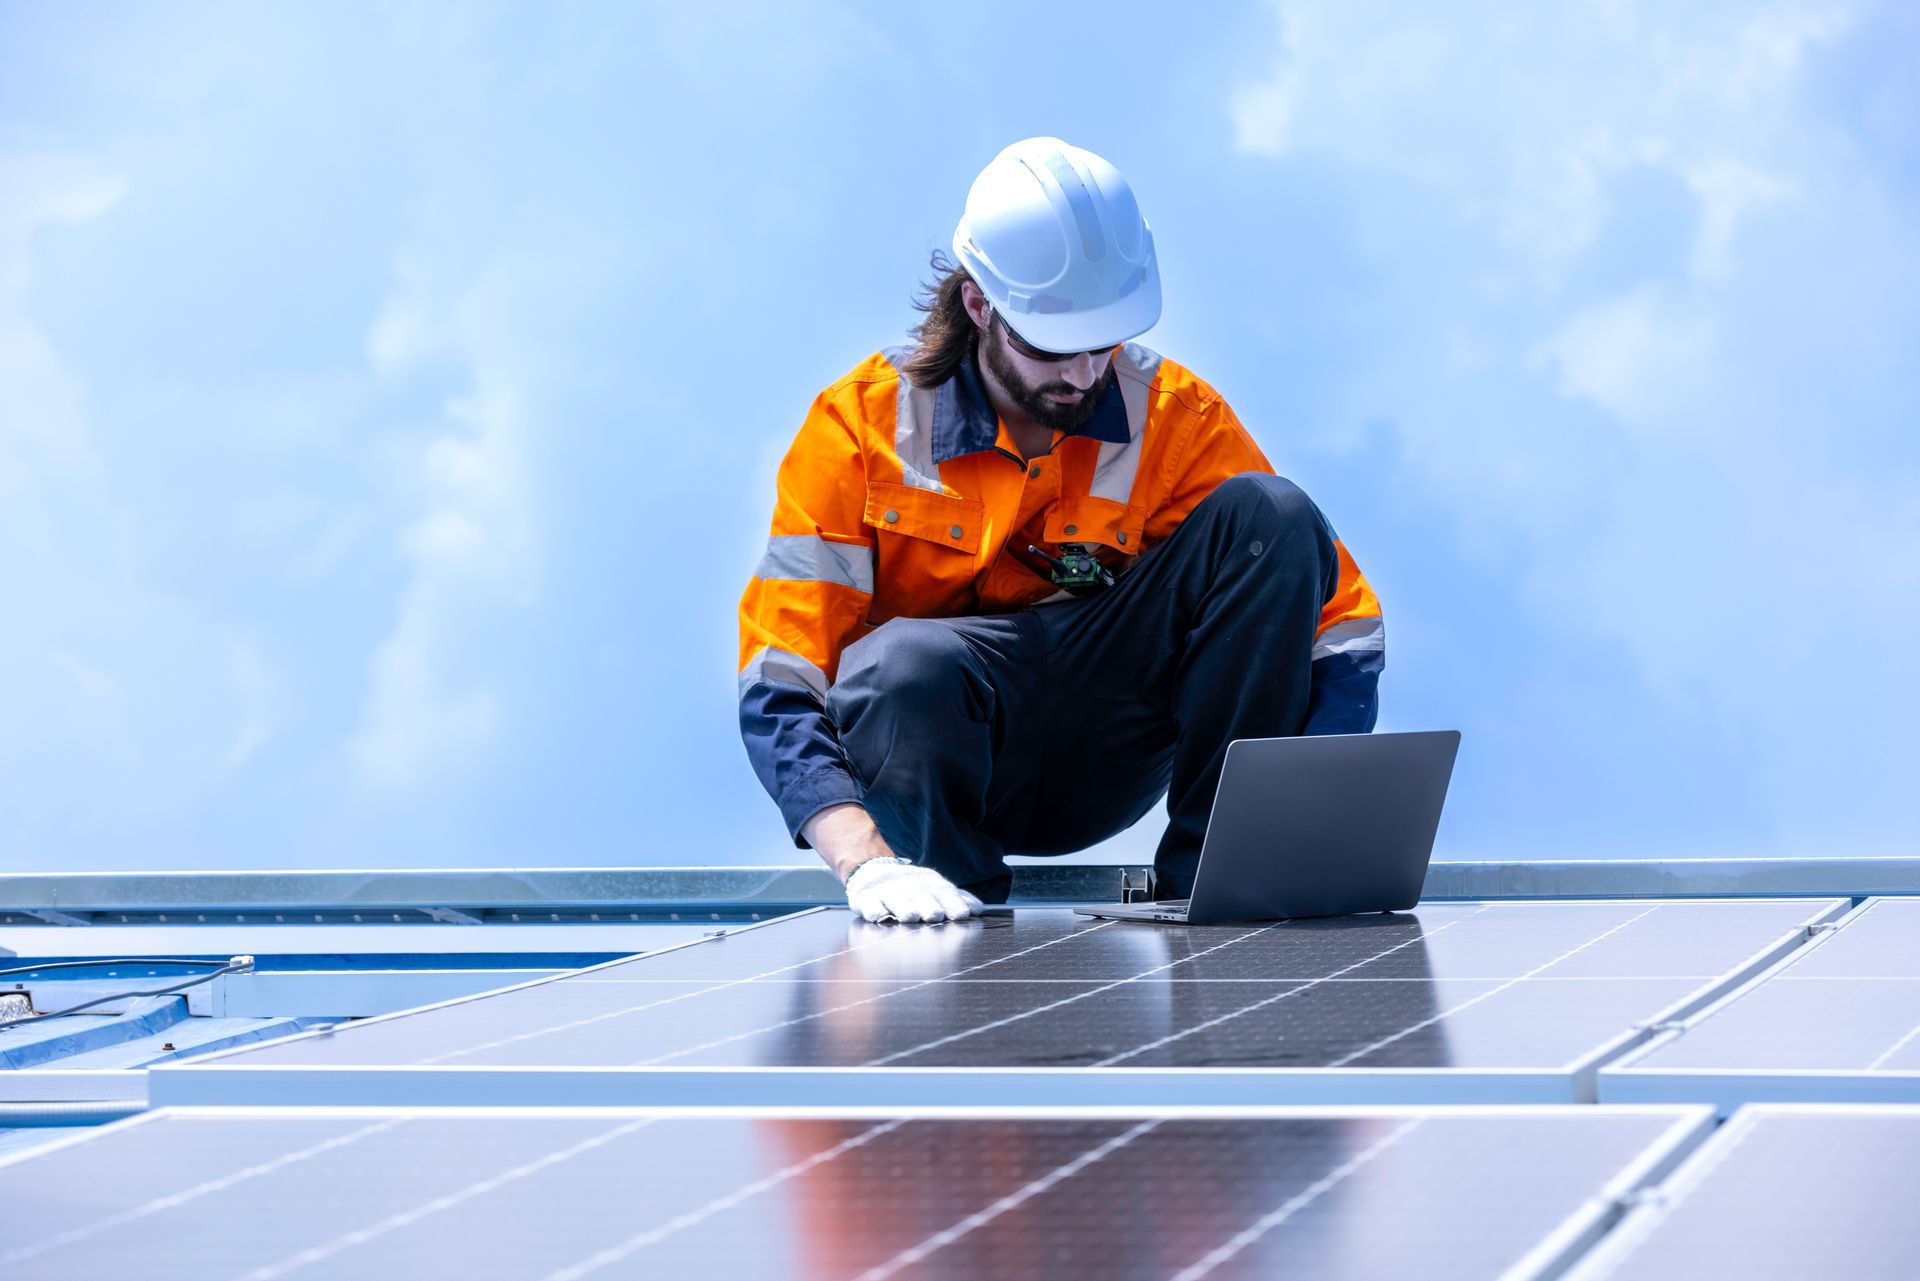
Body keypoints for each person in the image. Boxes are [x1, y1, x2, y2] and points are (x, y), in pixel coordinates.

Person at [737, 138, 1384, 925]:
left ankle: (1226, 874)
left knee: (1271, 516)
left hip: (1113, 737)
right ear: (978, 306)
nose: (1081, 375)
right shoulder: (859, 429)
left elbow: (1341, 627)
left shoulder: (1175, 417)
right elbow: (781, 681)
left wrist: (1310, 808)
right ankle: (947, 914)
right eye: (1051, 347)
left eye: (1102, 345)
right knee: (900, 665)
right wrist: (865, 862)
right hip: (941, 761)